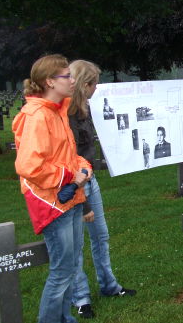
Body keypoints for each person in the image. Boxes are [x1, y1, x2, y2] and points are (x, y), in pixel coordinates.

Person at [12, 54, 91, 323]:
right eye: (66, 76)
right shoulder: (38, 116)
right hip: (51, 202)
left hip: (69, 197)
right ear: (49, 81)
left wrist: (83, 168)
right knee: (61, 270)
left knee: (69, 267)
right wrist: (72, 176)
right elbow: (29, 166)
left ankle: (64, 318)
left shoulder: (57, 111)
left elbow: (67, 155)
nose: (72, 80)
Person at [68, 60, 136, 319]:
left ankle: (109, 286)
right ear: (85, 84)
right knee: (76, 245)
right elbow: (70, 158)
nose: (98, 88)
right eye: (95, 83)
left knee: (101, 236)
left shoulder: (85, 107)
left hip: (90, 180)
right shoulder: (66, 114)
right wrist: (82, 202)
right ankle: (81, 297)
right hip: (73, 187)